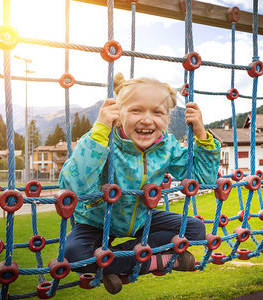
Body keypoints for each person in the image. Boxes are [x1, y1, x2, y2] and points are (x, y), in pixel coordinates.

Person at [59, 73, 221, 294]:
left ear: (166, 120)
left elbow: (203, 180)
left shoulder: (167, 147)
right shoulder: (104, 139)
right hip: (96, 219)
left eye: (157, 112)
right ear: (119, 113)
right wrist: (100, 131)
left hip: (141, 219)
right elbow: (74, 187)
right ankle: (155, 261)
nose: (147, 119)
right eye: (136, 110)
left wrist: (201, 134)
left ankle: (111, 262)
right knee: (72, 253)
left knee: (195, 229)